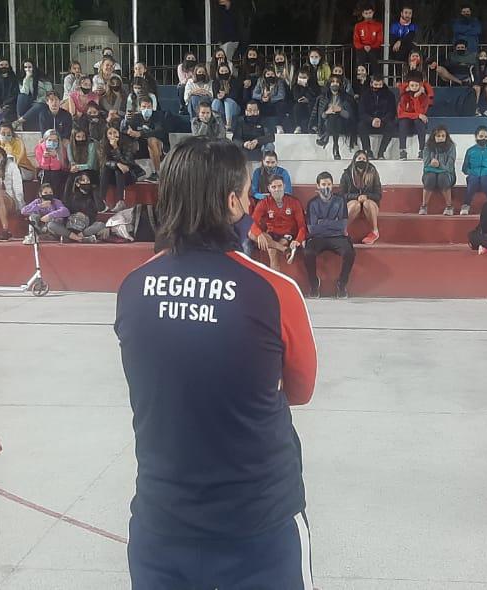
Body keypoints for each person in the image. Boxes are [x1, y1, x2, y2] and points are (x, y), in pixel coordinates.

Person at [115, 135, 315, 587]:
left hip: (161, 520)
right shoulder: (274, 290)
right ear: (231, 203)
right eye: (247, 192)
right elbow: (300, 389)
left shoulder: (133, 287)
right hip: (258, 525)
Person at [304, 170, 355, 298]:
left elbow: (342, 226)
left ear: (332, 185)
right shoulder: (312, 203)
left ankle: (341, 284)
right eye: (323, 184)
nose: (326, 187)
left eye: (328, 184)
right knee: (307, 253)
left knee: (350, 252)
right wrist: (332, 223)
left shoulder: (340, 201)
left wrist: (322, 223)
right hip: (317, 238)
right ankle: (314, 284)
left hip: (337, 237)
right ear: (318, 186)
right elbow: (313, 229)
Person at [248, 175, 307, 273]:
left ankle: (274, 283)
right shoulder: (264, 203)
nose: (277, 189)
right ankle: (285, 250)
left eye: (279, 186)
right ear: (269, 188)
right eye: (274, 187)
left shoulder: (294, 202)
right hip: (271, 233)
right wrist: (259, 234)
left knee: (272, 250)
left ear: (284, 186)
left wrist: (298, 240)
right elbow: (252, 221)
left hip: (287, 234)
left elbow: (302, 226)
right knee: (251, 233)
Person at [123, 95, 170, 181]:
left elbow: (159, 131)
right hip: (141, 146)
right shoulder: (136, 117)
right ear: (140, 108)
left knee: (151, 140)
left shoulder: (158, 116)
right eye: (144, 107)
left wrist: (140, 133)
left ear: (153, 107)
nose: (146, 109)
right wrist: (128, 129)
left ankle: (158, 172)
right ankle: (132, 172)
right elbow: (127, 130)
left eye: (149, 107)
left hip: (159, 145)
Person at [341, 150, 383, 244]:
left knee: (367, 203)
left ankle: (375, 232)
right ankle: (342, 231)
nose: (361, 160)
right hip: (353, 204)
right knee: (355, 204)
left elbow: (378, 195)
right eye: (359, 158)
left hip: (369, 205)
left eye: (364, 159)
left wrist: (366, 196)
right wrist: (357, 197)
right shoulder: (347, 174)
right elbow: (342, 195)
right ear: (354, 160)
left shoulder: (373, 172)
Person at [461, 125, 487, 215]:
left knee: (486, 181)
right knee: (472, 182)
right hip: (474, 175)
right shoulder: (470, 150)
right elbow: (464, 168)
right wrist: (471, 172)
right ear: (476, 137)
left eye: (485, 136)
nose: (483, 138)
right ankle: (466, 205)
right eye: (481, 136)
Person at [98, 126, 142, 210]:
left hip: (128, 174)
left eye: (115, 132)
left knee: (118, 170)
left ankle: (121, 201)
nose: (113, 135)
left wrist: (115, 148)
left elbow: (127, 162)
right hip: (111, 175)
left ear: (119, 133)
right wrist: (117, 164)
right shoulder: (103, 143)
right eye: (110, 133)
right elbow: (104, 162)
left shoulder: (127, 142)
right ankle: (102, 202)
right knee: (106, 169)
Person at [315, 77, 356, 160]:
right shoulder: (323, 97)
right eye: (333, 82)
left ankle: (326, 136)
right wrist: (327, 112)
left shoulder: (346, 98)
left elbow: (349, 116)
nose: (335, 83)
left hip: (343, 125)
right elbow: (321, 116)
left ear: (340, 84)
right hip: (327, 124)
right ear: (329, 84)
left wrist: (340, 110)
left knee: (335, 116)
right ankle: (335, 147)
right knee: (332, 116)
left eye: (337, 82)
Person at [59, 171, 106, 243]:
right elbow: (66, 205)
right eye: (83, 180)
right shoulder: (72, 196)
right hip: (72, 223)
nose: (86, 182)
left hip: (86, 225)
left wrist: (95, 191)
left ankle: (75, 237)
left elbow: (101, 208)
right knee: (51, 224)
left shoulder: (93, 195)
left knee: (101, 225)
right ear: (78, 184)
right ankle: (80, 238)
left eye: (88, 180)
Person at [419, 126, 457, 216]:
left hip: (447, 174)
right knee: (430, 177)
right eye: (438, 136)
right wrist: (432, 164)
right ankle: (424, 206)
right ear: (433, 137)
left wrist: (439, 165)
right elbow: (426, 164)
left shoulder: (451, 147)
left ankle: (449, 206)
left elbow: (450, 167)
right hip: (430, 173)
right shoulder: (427, 147)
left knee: (442, 177)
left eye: (443, 136)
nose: (441, 138)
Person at [357, 75, 397, 159]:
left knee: (391, 126)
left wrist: (382, 120)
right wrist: (371, 120)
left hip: (383, 122)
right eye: (376, 85)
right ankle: (368, 151)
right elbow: (361, 112)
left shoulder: (389, 95)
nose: (378, 87)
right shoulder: (365, 95)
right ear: (371, 84)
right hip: (369, 122)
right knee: (361, 125)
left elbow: (392, 112)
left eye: (380, 85)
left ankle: (381, 152)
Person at [397, 74, 432, 160]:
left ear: (420, 86)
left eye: (416, 85)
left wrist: (416, 98)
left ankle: (422, 150)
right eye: (412, 85)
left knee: (419, 122)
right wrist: (417, 115)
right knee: (403, 122)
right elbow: (401, 113)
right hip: (406, 119)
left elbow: (421, 112)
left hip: (416, 120)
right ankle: (402, 150)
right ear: (408, 86)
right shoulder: (404, 96)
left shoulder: (424, 97)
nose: (414, 87)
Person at [253, 66, 290, 133]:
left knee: (281, 104)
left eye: (272, 74)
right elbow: (254, 94)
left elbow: (281, 95)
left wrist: (270, 99)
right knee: (254, 103)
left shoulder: (279, 81)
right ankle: (256, 124)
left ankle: (279, 125)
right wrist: (262, 97)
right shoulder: (260, 80)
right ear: (264, 75)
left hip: (274, 102)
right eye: (268, 74)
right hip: (263, 102)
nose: (270, 76)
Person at [35, 128, 70, 196]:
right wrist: (45, 158)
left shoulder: (62, 148)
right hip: (45, 172)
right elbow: (42, 166)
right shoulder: (39, 148)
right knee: (46, 175)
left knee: (56, 176)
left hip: (58, 172)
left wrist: (55, 157)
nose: (52, 142)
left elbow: (63, 166)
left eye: (55, 140)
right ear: (45, 140)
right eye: (50, 140)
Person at [353, 5, 384, 75]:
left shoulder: (378, 25)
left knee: (374, 61)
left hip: (374, 48)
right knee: (360, 62)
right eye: (366, 13)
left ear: (373, 13)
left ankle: (376, 79)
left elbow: (379, 40)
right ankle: (360, 80)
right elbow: (356, 40)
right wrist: (363, 46)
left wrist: (371, 47)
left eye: (370, 13)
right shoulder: (358, 25)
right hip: (361, 48)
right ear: (363, 14)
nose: (368, 15)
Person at [289, 69, 319, 133]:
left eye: (304, 77)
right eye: (300, 77)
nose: (302, 79)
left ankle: (314, 126)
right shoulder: (295, 86)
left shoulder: (313, 85)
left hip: (311, 103)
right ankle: (298, 126)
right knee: (296, 107)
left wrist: (309, 99)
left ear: (308, 77)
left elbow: (316, 95)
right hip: (300, 104)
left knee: (313, 106)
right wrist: (303, 87)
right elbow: (296, 97)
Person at [470, 49, 487, 117]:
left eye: (485, 56)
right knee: (477, 87)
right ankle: (475, 109)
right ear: (478, 57)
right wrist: (481, 81)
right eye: (481, 56)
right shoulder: (473, 67)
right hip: (477, 84)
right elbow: (473, 80)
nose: (483, 58)